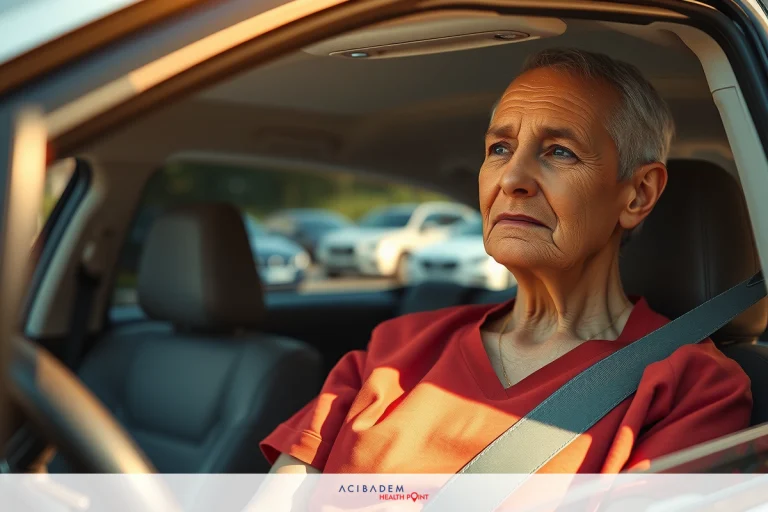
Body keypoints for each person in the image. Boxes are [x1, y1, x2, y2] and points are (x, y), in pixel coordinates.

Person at [260, 48, 752, 475]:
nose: (512, 178)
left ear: (638, 194)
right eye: (500, 148)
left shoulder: (691, 386)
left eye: (559, 151)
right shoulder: (395, 349)